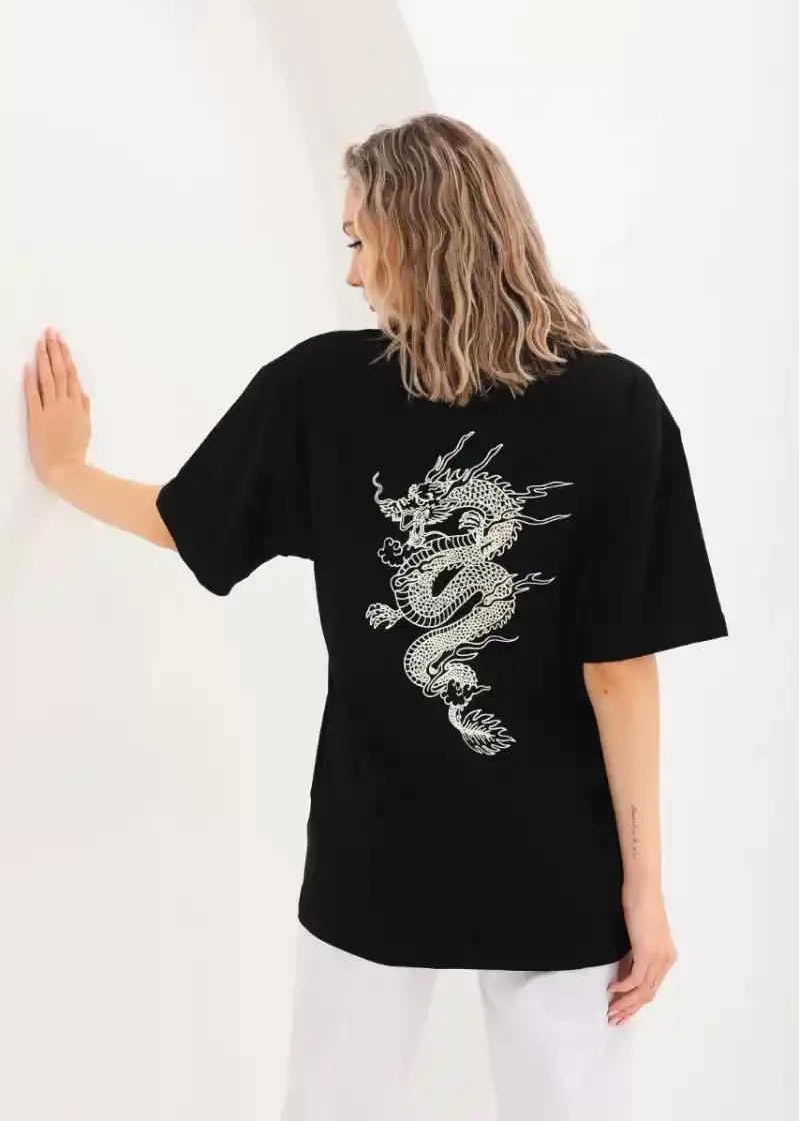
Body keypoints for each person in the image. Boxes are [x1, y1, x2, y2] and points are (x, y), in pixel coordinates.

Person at [23, 113, 727, 1121]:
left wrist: (69, 472)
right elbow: (616, 670)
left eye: (360, 239)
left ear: (421, 233)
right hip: (560, 856)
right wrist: (644, 887)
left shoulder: (321, 388)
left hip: (378, 841)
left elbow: (188, 524)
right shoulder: (616, 406)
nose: (351, 273)